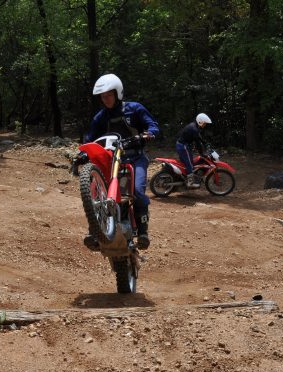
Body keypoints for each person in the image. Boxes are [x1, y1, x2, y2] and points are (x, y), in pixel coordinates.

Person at [84, 73, 159, 251]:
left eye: (109, 95)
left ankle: (143, 232)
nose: (106, 99)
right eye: (103, 97)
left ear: (118, 93)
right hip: (112, 160)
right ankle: (95, 231)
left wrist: (148, 133)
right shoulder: (100, 117)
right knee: (96, 192)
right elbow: (90, 139)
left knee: (137, 191)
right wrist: (83, 153)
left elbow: (153, 125)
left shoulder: (134, 109)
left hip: (135, 158)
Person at [176, 113, 211, 188]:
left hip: (182, 145)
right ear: (200, 121)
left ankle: (182, 178)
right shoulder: (194, 128)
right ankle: (190, 183)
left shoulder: (194, 126)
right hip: (183, 146)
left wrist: (205, 143)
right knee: (189, 164)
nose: (205, 125)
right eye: (204, 123)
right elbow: (198, 143)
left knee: (186, 163)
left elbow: (199, 138)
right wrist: (202, 153)